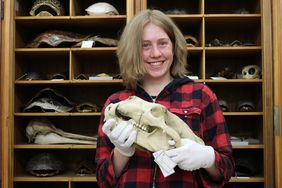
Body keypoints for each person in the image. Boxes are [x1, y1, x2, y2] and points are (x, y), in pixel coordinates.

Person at [95, 9, 235, 188]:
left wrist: (207, 158)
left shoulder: (201, 95)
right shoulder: (116, 103)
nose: (155, 53)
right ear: (132, 51)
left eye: (162, 43)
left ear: (174, 47)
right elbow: (103, 180)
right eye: (145, 45)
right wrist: (121, 152)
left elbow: (226, 170)